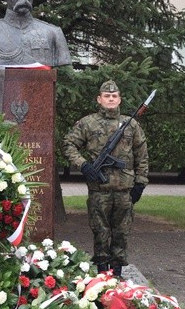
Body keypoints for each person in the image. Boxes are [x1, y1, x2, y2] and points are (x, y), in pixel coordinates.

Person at [62, 80, 149, 277]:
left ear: (119, 100)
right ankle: (102, 271)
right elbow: (69, 145)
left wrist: (141, 183)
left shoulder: (131, 124)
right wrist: (83, 165)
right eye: (107, 96)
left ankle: (117, 272)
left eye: (114, 96)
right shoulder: (87, 123)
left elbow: (141, 154)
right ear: (99, 99)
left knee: (121, 232)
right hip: (99, 188)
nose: (111, 99)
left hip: (125, 188)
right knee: (100, 231)